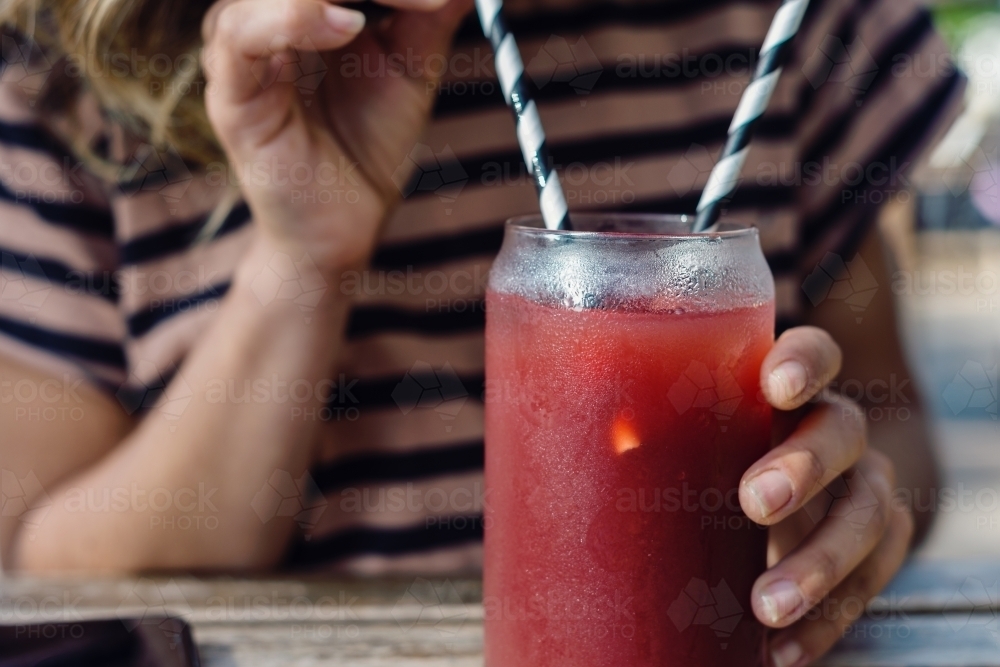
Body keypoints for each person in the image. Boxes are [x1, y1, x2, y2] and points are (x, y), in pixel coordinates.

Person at [0, 0, 962, 664]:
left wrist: (834, 504)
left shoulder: (796, 29)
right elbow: (41, 563)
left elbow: (895, 422)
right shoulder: (64, 76)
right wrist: (301, 263)